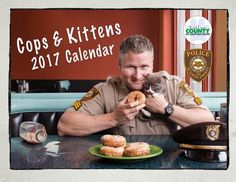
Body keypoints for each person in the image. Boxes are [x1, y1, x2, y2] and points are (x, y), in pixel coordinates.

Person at [57, 35, 214, 136]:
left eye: (144, 67)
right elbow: (64, 125)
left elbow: (208, 122)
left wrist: (167, 108)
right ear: (120, 65)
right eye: (130, 67)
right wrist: (114, 118)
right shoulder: (105, 90)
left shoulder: (173, 85)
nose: (138, 76)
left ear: (152, 64)